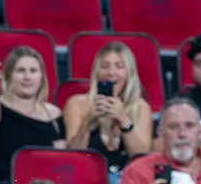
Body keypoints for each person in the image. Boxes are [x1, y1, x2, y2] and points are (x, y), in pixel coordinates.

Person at [0, 46, 61, 184]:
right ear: (9, 76)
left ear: (42, 77)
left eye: (33, 71)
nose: (27, 77)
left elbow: (60, 159)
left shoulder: (54, 115)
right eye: (20, 71)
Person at [61, 40, 154, 176]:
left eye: (119, 66)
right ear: (96, 72)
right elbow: (74, 154)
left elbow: (141, 158)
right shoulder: (77, 104)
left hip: (126, 180)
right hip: (88, 177)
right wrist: (88, 122)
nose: (111, 72)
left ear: (129, 72)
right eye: (104, 66)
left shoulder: (140, 107)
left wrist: (124, 120)